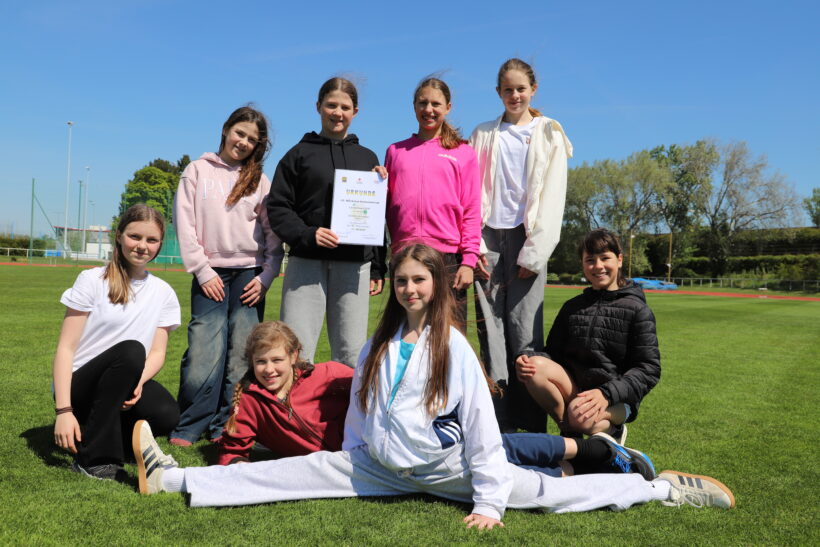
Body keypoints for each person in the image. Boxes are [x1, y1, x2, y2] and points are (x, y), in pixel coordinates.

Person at [135, 244, 734, 528]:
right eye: (401, 280)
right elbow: (362, 410)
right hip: (375, 465)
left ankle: (660, 491)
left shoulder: (454, 345)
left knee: (548, 495)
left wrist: (490, 501)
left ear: (437, 284)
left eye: (419, 279)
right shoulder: (377, 343)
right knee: (282, 475)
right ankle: (169, 477)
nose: (409, 289)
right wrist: (349, 455)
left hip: (448, 468)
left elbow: (479, 426)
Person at [469, 58, 573, 433]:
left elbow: (554, 196)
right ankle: (496, 421)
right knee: (490, 330)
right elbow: (471, 191)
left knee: (525, 332)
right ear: (498, 92)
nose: (515, 95)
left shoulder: (549, 132)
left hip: (528, 238)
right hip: (488, 239)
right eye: (507, 89)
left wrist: (536, 251)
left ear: (533, 90)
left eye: (521, 88)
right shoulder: (482, 133)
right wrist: (475, 246)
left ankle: (529, 423)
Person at [171, 106, 283, 446]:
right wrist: (203, 271)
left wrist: (266, 277)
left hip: (249, 276)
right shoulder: (197, 171)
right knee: (204, 350)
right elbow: (185, 224)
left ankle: (227, 423)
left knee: (241, 354)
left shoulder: (260, 181)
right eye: (240, 133)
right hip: (210, 275)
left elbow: (273, 234)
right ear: (225, 130)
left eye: (252, 139)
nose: (244, 142)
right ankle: (192, 421)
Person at [52, 204, 180, 480]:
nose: (142, 246)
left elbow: (158, 352)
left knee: (167, 414)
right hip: (80, 385)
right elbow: (66, 348)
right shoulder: (92, 280)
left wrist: (139, 381)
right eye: (135, 236)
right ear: (119, 236)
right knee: (132, 350)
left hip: (125, 378)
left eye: (151, 240)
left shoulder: (164, 292)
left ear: (159, 244)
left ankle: (93, 432)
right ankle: (93, 459)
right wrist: (64, 410)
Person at [267, 77, 386, 367]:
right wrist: (308, 234)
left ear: (355, 111)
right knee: (297, 348)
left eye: (345, 107)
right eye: (331, 105)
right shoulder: (298, 155)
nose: (338, 112)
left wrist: (379, 265)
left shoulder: (368, 157)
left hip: (354, 265)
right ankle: (293, 411)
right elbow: (279, 206)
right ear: (318, 106)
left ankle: (347, 412)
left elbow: (377, 216)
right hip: (306, 262)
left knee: (351, 351)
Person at [516, 229, 660, 443]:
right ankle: (570, 434)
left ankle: (613, 431)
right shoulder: (572, 307)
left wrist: (607, 393)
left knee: (578, 415)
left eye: (605, 258)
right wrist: (526, 358)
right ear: (583, 265)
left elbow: (649, 369)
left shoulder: (637, 309)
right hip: (577, 390)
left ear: (619, 260)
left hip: (616, 398)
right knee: (534, 367)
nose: (598, 266)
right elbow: (553, 352)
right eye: (590, 260)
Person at [384, 77, 480, 329]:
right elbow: (384, 205)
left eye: (435, 104)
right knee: (405, 333)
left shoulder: (463, 153)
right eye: (422, 103)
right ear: (414, 106)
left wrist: (469, 261)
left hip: (447, 258)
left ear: (448, 107)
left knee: (450, 335)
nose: (429, 109)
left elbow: (471, 209)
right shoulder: (395, 151)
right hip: (405, 255)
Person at [216, 321, 353, 465]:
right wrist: (239, 464)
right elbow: (231, 450)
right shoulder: (250, 399)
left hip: (360, 455)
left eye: (277, 360)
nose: (269, 369)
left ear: (293, 356)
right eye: (261, 362)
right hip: (316, 469)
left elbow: (372, 389)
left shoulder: (328, 374)